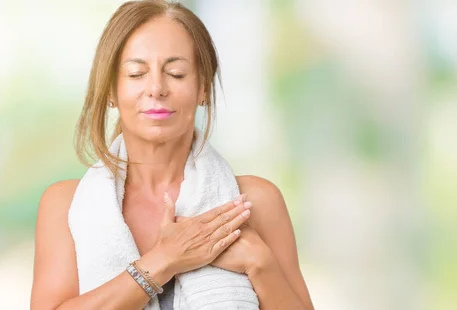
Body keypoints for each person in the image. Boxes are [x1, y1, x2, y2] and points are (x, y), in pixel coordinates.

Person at [29, 1, 314, 309]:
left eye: (176, 74)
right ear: (111, 90)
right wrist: (164, 260)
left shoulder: (253, 202)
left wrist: (260, 263)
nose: (156, 88)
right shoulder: (66, 205)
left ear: (203, 87)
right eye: (136, 73)